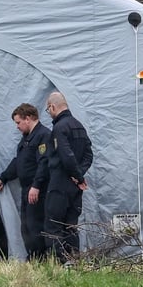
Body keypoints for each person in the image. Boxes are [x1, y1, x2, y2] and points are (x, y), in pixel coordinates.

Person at [0, 103, 51, 262]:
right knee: (26, 227)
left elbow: (44, 163)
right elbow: (19, 162)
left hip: (38, 190)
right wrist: (3, 177)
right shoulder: (26, 139)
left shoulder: (43, 136)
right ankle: (32, 257)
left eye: (18, 122)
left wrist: (36, 186)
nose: (17, 127)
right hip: (27, 188)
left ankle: (41, 259)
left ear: (28, 118)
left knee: (35, 225)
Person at [43, 92, 93, 264]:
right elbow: (88, 155)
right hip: (74, 187)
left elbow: (66, 155)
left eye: (48, 110)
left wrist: (76, 175)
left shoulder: (59, 128)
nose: (48, 113)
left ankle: (60, 263)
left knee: (54, 225)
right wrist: (79, 176)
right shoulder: (79, 126)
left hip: (60, 184)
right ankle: (75, 262)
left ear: (52, 107)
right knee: (71, 226)